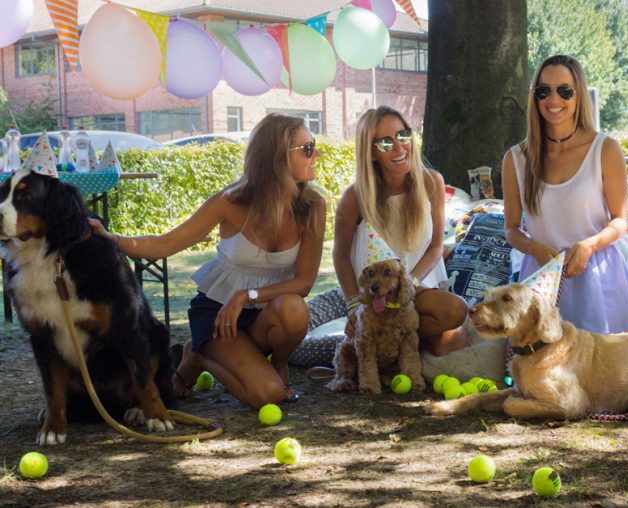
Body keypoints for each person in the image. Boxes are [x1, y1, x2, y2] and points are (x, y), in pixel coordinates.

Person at [91, 113, 326, 408]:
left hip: (266, 312)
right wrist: (113, 239)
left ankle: (277, 365)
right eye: (307, 148)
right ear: (277, 156)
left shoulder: (313, 206)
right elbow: (166, 243)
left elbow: (303, 283)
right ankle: (201, 351)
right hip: (219, 314)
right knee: (268, 396)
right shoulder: (230, 202)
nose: (316, 153)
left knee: (295, 308)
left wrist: (246, 295)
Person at [502, 54, 628, 334]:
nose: (553, 100)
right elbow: (511, 228)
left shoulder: (605, 149)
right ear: (535, 97)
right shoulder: (516, 158)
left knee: (603, 372)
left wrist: (589, 245)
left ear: (579, 95)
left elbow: (619, 221)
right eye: (544, 91)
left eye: (564, 91)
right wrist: (533, 247)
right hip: (541, 278)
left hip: (597, 276)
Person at [332, 106, 469, 356]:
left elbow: (437, 247)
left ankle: (385, 341)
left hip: (415, 288)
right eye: (385, 143)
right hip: (376, 296)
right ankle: (387, 340)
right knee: (445, 344)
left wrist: (409, 285)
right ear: (371, 153)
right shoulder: (356, 196)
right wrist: (353, 306)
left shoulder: (431, 182)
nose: (399, 147)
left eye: (403, 136)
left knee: (455, 314)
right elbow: (339, 256)